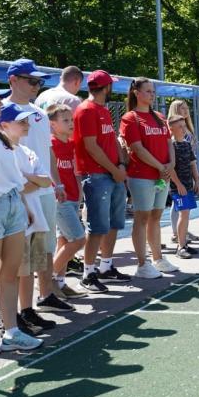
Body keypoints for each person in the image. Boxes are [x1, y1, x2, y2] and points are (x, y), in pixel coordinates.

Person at [3, 60, 74, 321]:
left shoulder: (40, 114)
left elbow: (48, 151)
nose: (36, 86)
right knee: (17, 256)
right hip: (19, 192)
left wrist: (58, 183)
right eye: (31, 81)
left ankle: (44, 297)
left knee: (43, 248)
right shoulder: (2, 111)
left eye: (38, 82)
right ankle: (10, 312)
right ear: (13, 80)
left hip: (43, 190)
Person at [0, 81, 43, 355]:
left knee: (10, 274)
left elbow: (12, 178)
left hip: (11, 206)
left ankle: (12, 331)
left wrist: (22, 205)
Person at [73, 70, 129, 293]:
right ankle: (88, 274)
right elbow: (91, 146)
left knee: (114, 223)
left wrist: (122, 164)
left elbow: (111, 139)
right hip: (97, 175)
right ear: (106, 88)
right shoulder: (86, 110)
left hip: (111, 173)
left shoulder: (102, 110)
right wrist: (115, 169)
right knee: (97, 226)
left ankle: (106, 266)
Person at [119, 77, 178, 278]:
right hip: (142, 176)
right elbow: (136, 148)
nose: (152, 94)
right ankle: (142, 264)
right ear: (136, 92)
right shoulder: (130, 118)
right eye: (148, 91)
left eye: (153, 91)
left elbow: (169, 142)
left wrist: (171, 164)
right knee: (142, 218)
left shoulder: (160, 117)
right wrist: (161, 166)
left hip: (163, 175)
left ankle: (158, 258)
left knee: (156, 216)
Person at [47, 104, 88, 299]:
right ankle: (48, 279)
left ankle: (60, 285)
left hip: (72, 198)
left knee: (63, 240)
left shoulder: (71, 144)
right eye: (65, 120)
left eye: (71, 120)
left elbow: (75, 172)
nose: (71, 123)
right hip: (59, 200)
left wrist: (79, 193)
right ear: (52, 124)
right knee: (79, 239)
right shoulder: (51, 144)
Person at [167, 100, 199, 245]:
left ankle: (183, 235)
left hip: (187, 182)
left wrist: (197, 180)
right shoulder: (171, 144)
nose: (186, 110)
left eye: (187, 108)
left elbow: (192, 162)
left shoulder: (186, 141)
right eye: (183, 108)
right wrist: (178, 183)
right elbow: (171, 167)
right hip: (178, 183)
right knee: (179, 209)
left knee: (185, 212)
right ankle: (178, 237)